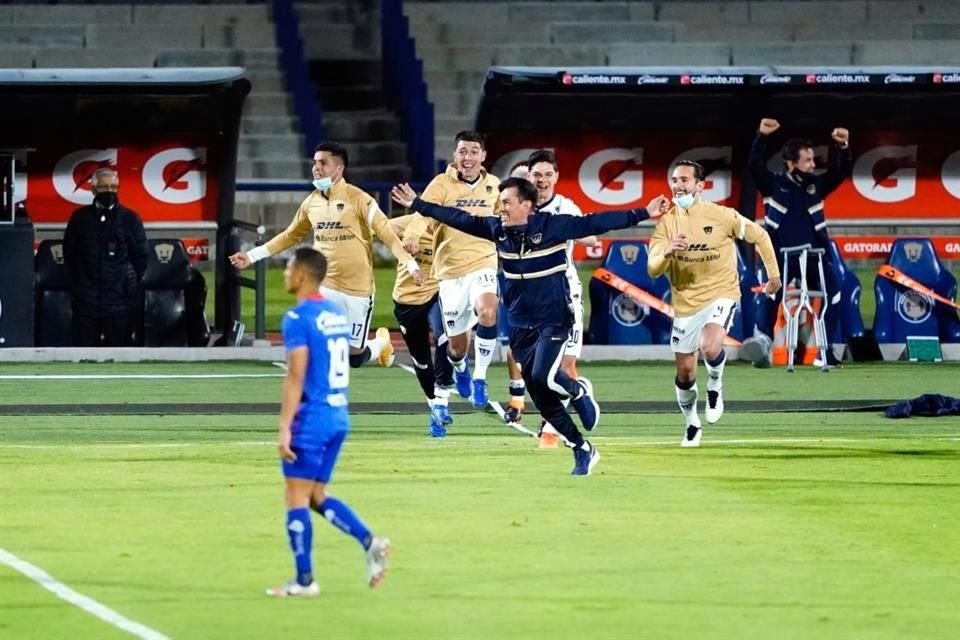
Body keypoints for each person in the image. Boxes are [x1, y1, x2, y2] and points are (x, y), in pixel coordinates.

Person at [392, 178, 669, 475]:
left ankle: (577, 390)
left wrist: (644, 212)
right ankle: (582, 448)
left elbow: (597, 223)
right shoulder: (497, 229)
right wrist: (418, 205)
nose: (501, 207)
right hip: (521, 324)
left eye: (507, 202)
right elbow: (457, 217)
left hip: (554, 318)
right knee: (540, 393)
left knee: (542, 374)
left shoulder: (553, 226)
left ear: (527, 205)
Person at [229, 142, 425, 368]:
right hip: (324, 285)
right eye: (315, 162)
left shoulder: (359, 199)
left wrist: (411, 266)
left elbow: (388, 236)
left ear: (339, 168)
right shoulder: (311, 202)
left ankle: (381, 344)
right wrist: (251, 256)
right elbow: (290, 235)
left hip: (357, 289)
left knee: (353, 357)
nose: (316, 168)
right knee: (320, 346)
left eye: (323, 163)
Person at [266, 247, 390, 597]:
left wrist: (284, 428)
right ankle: (370, 541)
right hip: (338, 415)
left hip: (313, 419)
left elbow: (295, 376)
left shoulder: (297, 319)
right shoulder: (335, 314)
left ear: (302, 275)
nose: (285, 274)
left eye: (288, 267)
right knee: (317, 495)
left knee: (295, 496)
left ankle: (304, 580)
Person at [648, 161, 781, 448]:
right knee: (685, 373)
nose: (678, 185)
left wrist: (774, 275)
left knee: (710, 345)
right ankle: (691, 423)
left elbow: (760, 235)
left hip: (722, 293)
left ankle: (716, 384)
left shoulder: (722, 215)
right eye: (674, 179)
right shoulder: (667, 223)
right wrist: (668, 252)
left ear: (700, 185)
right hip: (685, 304)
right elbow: (653, 268)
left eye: (684, 179)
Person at [504, 150, 601, 442]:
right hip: (528, 299)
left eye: (548, 174)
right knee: (532, 365)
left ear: (556, 177)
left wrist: (562, 230)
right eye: (537, 175)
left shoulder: (565, 208)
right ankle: (572, 395)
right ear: (529, 177)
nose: (542, 180)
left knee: (563, 365)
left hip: (563, 296)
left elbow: (592, 237)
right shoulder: (521, 208)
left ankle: (550, 424)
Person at [400, 131, 500, 409]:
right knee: (456, 348)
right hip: (450, 272)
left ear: (483, 156)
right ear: (455, 155)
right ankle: (460, 368)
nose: (467, 158)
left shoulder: (494, 186)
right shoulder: (441, 183)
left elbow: (505, 219)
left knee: (488, 311)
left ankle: (480, 378)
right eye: (462, 152)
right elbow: (423, 213)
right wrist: (412, 236)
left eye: (473, 152)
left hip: (483, 262)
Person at [745, 118, 852, 367]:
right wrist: (761, 136)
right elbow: (754, 164)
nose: (813, 164)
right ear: (791, 163)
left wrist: (843, 146)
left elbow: (840, 172)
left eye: (813, 160)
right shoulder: (773, 183)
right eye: (808, 160)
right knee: (770, 296)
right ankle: (762, 346)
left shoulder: (816, 185)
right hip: (780, 257)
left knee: (834, 294)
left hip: (814, 256)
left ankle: (825, 352)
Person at [63, 167, 148, 347]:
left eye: (113, 187)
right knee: (84, 354)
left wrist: (126, 284)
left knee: (120, 355)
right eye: (103, 188)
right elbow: (69, 256)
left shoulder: (130, 219)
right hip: (86, 301)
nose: (109, 191)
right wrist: (80, 285)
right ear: (93, 190)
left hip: (120, 302)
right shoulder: (79, 218)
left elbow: (141, 258)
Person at [389, 214, 455, 437]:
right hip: (407, 300)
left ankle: (446, 392)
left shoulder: (455, 224)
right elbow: (380, 231)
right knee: (421, 361)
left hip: (437, 292)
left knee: (444, 335)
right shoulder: (406, 224)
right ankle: (434, 405)